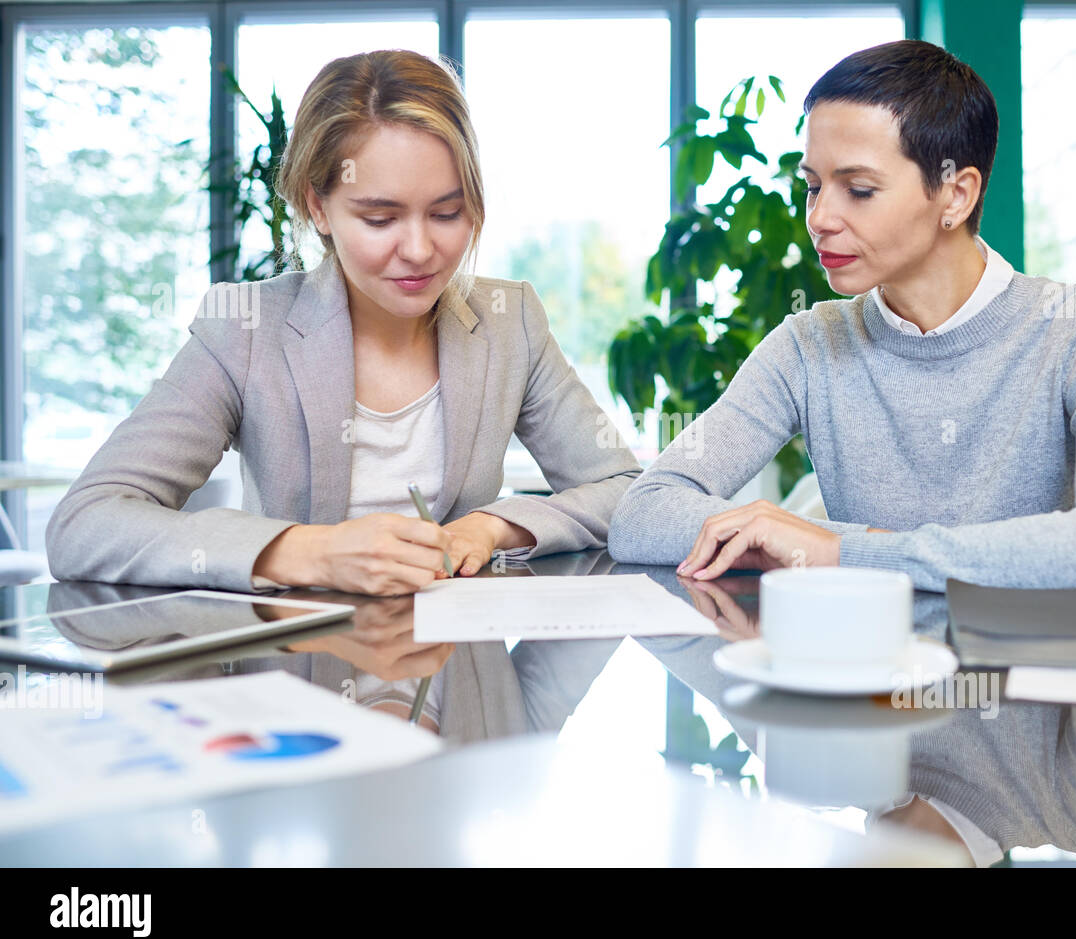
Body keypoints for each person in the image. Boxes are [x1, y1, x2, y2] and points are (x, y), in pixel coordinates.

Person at [46, 49, 640, 596]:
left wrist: (491, 526)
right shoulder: (247, 330)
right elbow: (86, 523)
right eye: (380, 218)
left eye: (447, 212)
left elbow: (627, 492)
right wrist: (309, 553)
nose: (419, 249)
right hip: (299, 682)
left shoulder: (511, 323)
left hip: (461, 684)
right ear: (316, 205)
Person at [607, 39, 1076, 601]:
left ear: (955, 195)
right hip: (869, 682)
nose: (820, 218)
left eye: (858, 190)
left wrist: (840, 552)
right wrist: (833, 544)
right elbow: (645, 512)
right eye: (812, 186)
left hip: (1035, 681)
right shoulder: (810, 344)